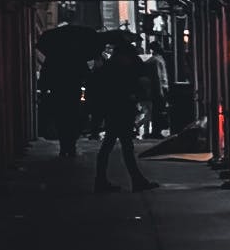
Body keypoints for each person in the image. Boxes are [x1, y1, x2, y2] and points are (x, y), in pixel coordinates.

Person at [89, 31, 153, 194]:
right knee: (121, 144)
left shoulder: (109, 66)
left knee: (114, 144)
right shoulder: (122, 65)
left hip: (114, 109)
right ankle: (133, 180)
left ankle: (104, 180)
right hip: (121, 108)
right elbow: (139, 76)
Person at [41, 20, 91, 168]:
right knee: (75, 119)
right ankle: (71, 145)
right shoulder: (78, 57)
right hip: (75, 93)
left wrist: (45, 90)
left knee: (61, 120)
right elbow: (86, 76)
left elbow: (45, 76)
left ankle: (65, 146)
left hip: (59, 94)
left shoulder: (53, 58)